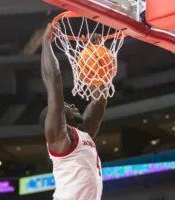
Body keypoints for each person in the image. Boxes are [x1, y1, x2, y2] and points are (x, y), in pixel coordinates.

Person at [39, 23, 107, 200]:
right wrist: (46, 42)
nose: (73, 106)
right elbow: (54, 81)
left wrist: (94, 55)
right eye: (66, 106)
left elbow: (98, 102)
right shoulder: (57, 138)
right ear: (56, 116)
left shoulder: (84, 134)